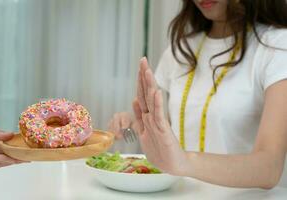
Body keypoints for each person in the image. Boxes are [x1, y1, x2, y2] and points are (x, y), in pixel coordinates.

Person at [108, 0, 287, 189]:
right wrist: (137, 125)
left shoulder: (277, 46)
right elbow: (173, 128)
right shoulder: (181, 50)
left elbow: (269, 168)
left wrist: (184, 161)